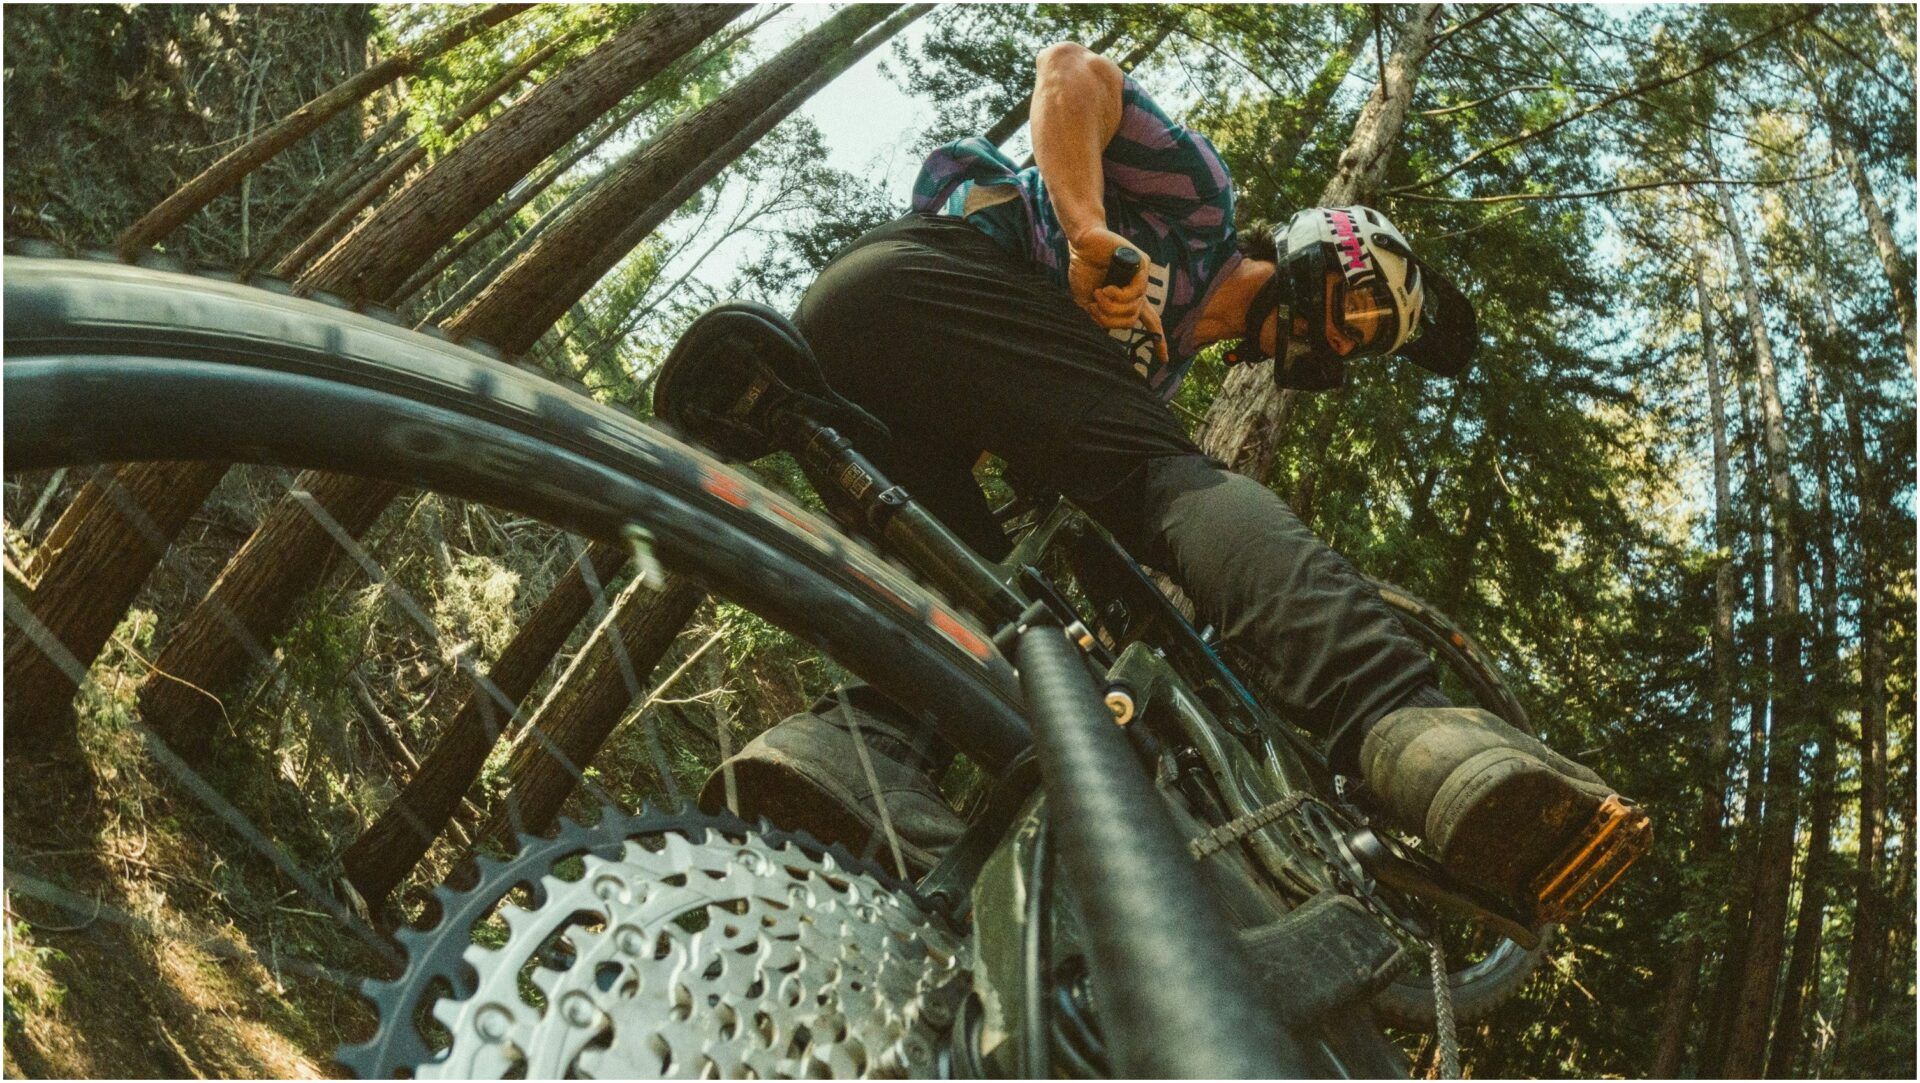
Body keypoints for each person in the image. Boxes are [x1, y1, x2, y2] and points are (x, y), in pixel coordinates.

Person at [699, 42, 1645, 922]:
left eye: (1363, 345)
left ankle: (853, 751)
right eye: (1358, 306)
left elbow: (1022, 438)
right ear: (1318, 249)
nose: (1344, 339)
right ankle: (1404, 720)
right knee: (1166, 481)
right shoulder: (1202, 208)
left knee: (989, 592)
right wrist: (1086, 230)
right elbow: (1071, 72)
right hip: (930, 268)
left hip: (851, 363)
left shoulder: (1154, 377)